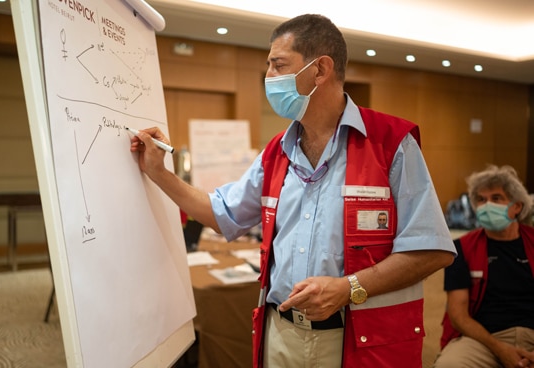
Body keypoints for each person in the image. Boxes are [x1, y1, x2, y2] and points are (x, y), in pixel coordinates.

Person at [130, 14, 456, 368]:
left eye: (278, 65)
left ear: (320, 70)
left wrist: (348, 288)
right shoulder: (276, 152)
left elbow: (431, 250)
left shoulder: (391, 144)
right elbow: (223, 213)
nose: (268, 77)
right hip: (280, 333)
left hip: (357, 338)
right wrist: (158, 173)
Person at [434, 165, 534, 368]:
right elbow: (458, 315)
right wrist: (500, 349)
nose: (487, 205)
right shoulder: (461, 248)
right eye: (481, 199)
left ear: (517, 207)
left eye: (496, 198)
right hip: (484, 338)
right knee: (449, 365)